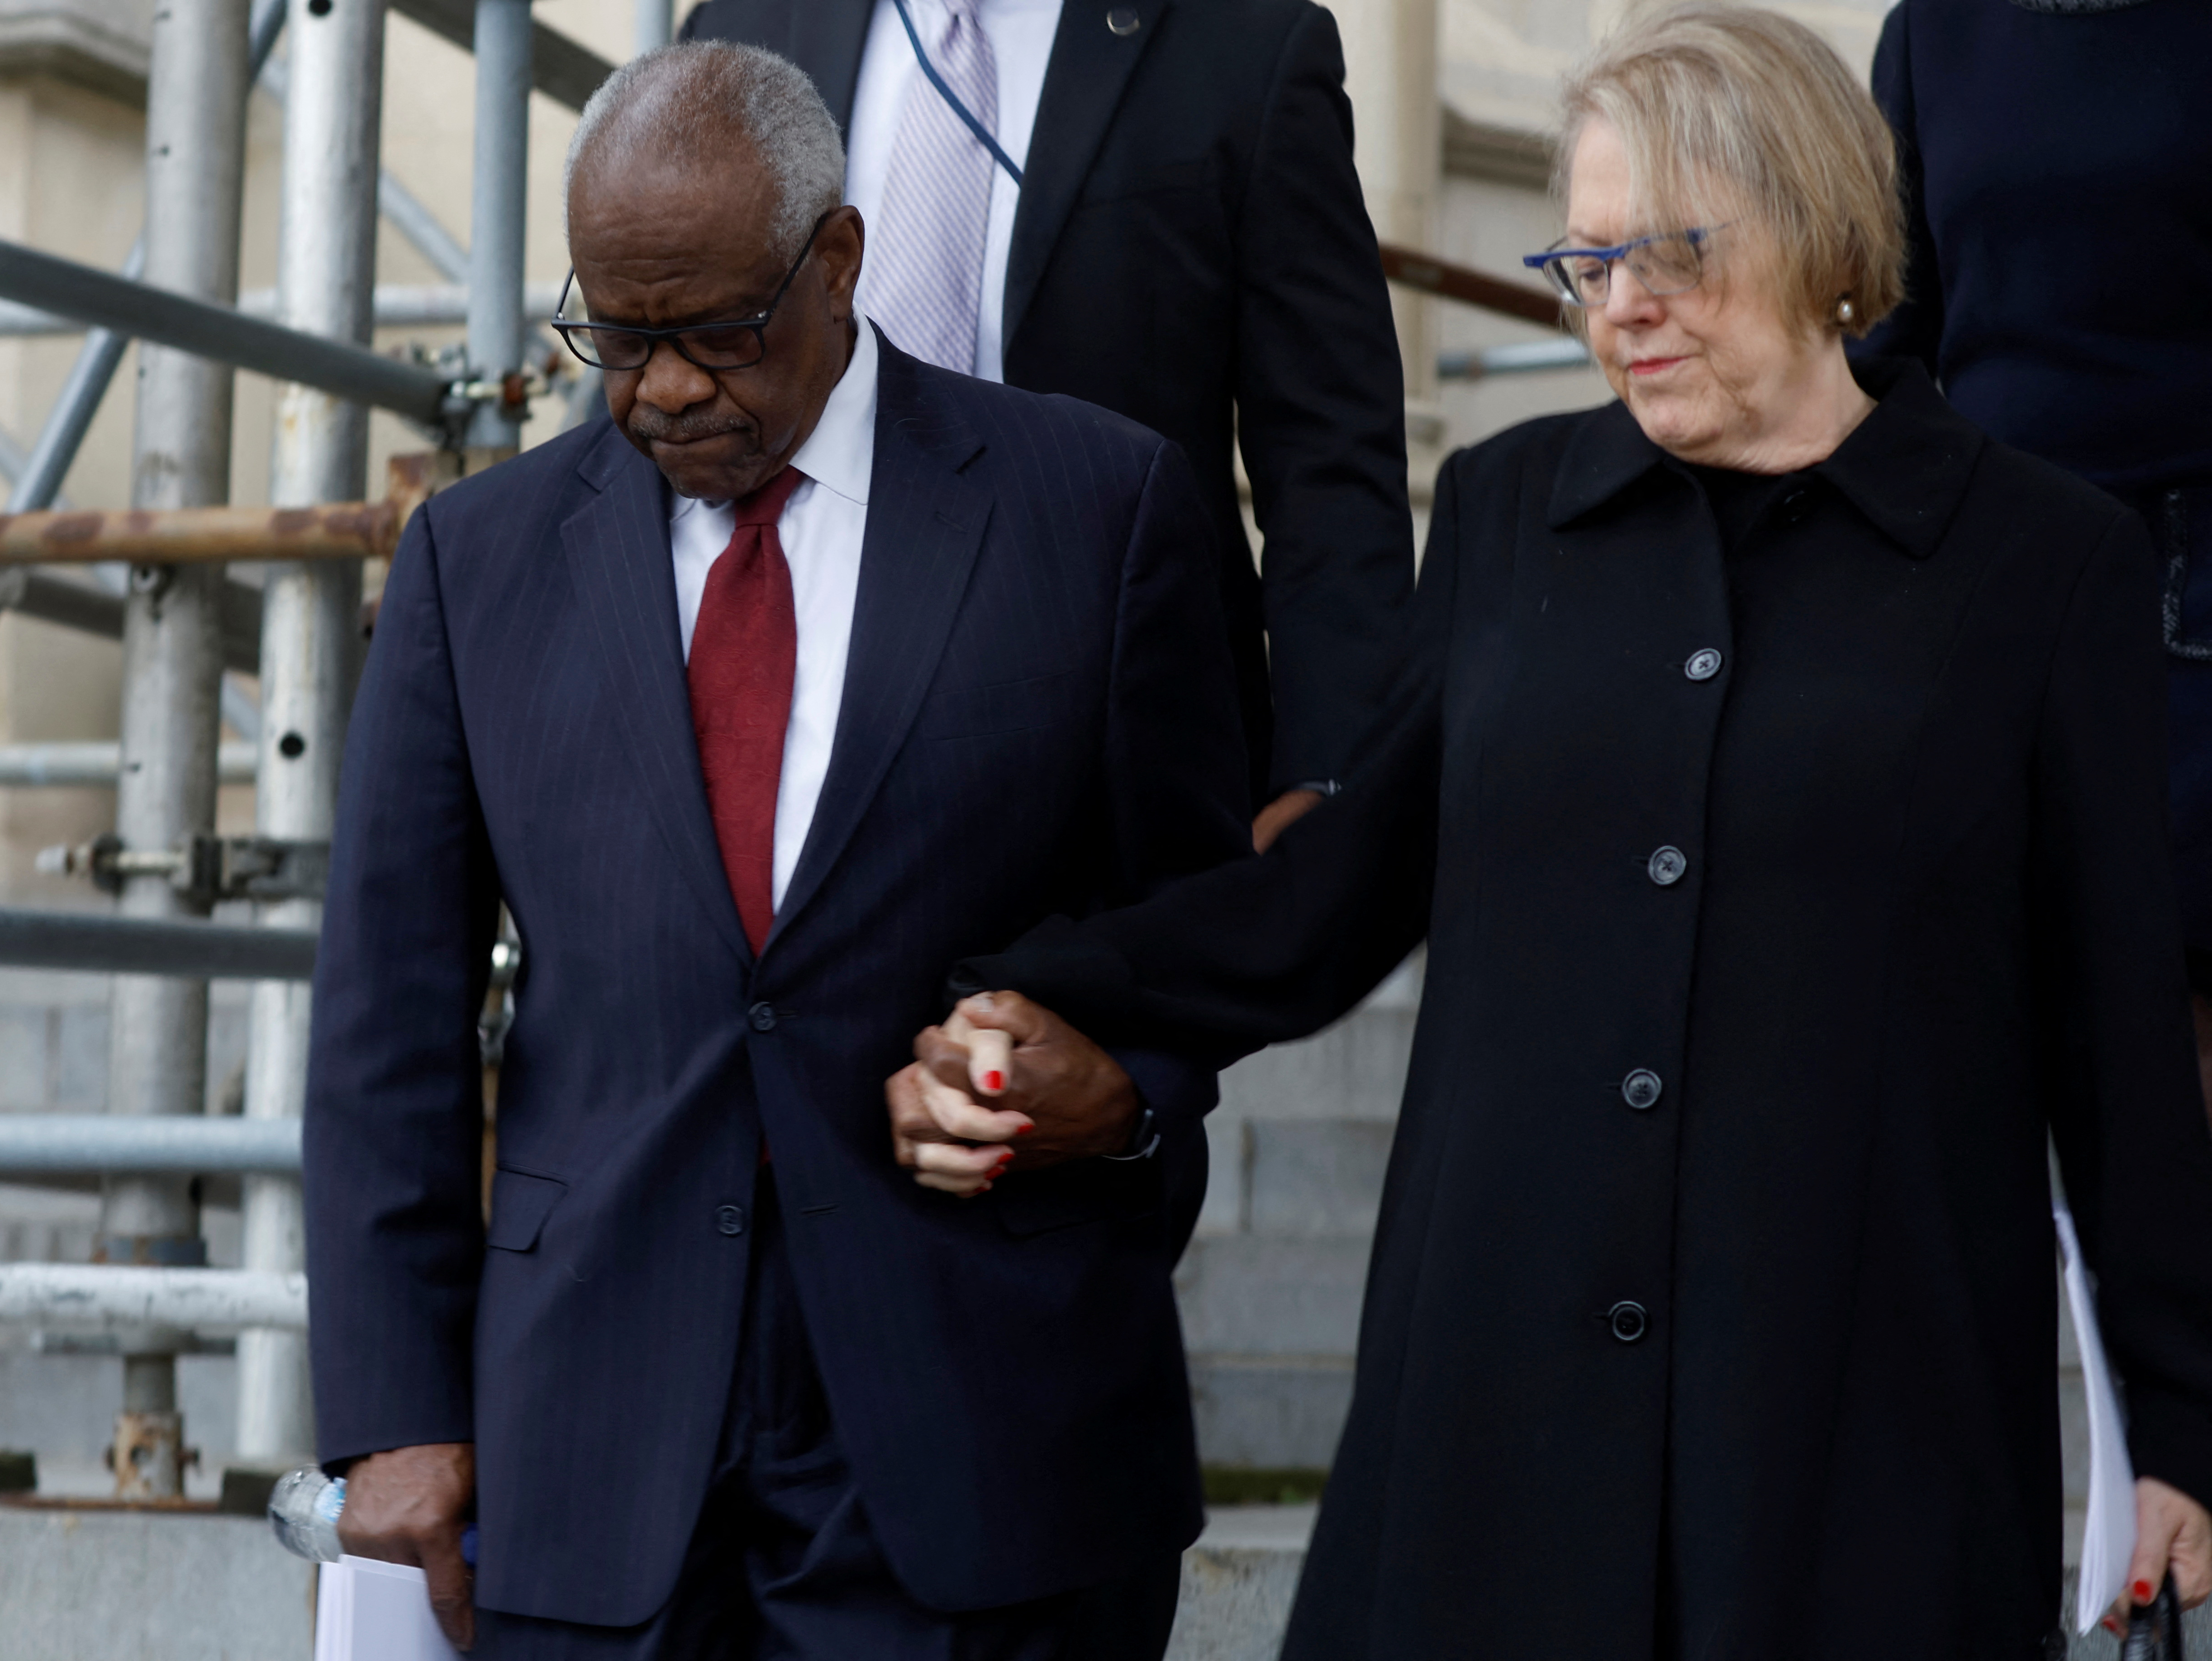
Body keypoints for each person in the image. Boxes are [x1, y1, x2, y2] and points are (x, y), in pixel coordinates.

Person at [890, 8, 2212, 1656]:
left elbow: (2117, 1043)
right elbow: (1323, 899)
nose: (1620, 308)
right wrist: (1019, 973)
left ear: (1817, 231)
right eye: (1581, 263)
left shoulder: (2041, 566)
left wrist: (2176, 1430)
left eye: (1667, 252)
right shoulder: (1512, 514)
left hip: (1860, 1431)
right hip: (1492, 1403)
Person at [301, 40, 1252, 1661]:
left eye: (714, 333)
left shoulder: (1096, 510)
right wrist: (394, 1412)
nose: (662, 386)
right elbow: (387, 1015)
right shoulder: (477, 561)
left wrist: (1124, 1098)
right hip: (586, 1449)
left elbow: (1195, 946)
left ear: (837, 265)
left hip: (984, 1430)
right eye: (615, 333)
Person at [678, 0, 1416, 849]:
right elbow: (664, 363)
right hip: (792, 724)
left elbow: (1329, 449)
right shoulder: (749, 28)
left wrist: (1332, 777)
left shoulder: (1245, 42)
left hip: (1120, 767)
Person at [1859, 0, 2212, 1107]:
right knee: (1995, 1028)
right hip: (1994, 592)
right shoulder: (1929, 33)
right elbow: (1886, 334)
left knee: (2176, 1039)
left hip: (2195, 599)